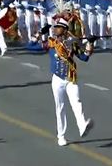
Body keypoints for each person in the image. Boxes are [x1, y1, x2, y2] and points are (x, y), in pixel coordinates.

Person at [27, 18, 94, 146]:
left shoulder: (72, 43)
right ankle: (61, 136)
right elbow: (30, 46)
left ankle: (83, 126)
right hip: (57, 79)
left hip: (70, 78)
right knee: (60, 107)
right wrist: (40, 32)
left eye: (58, 27)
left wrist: (90, 42)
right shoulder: (51, 43)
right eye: (55, 26)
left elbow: (85, 57)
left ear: (64, 30)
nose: (55, 28)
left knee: (76, 101)